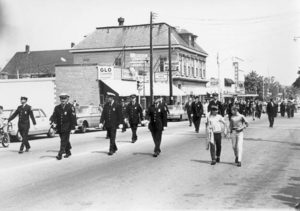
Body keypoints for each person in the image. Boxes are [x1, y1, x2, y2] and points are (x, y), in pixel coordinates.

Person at [50, 93, 77, 160]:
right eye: (61, 98)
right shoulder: (57, 107)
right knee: (65, 140)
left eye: (64, 98)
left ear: (67, 99)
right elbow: (54, 115)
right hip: (60, 127)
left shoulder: (70, 107)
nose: (63, 100)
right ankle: (68, 152)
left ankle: (60, 154)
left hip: (67, 127)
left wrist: (73, 127)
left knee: (63, 141)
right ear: (60, 99)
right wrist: (51, 120)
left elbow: (73, 118)